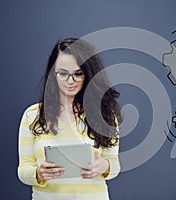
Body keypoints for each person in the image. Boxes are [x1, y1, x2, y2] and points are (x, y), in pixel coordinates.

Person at [17, 38, 122, 200]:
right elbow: (23, 169)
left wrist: (104, 166)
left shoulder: (105, 115)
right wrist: (38, 173)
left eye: (78, 74)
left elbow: (114, 166)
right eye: (63, 73)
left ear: (88, 74)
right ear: (53, 73)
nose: (70, 81)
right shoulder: (33, 115)